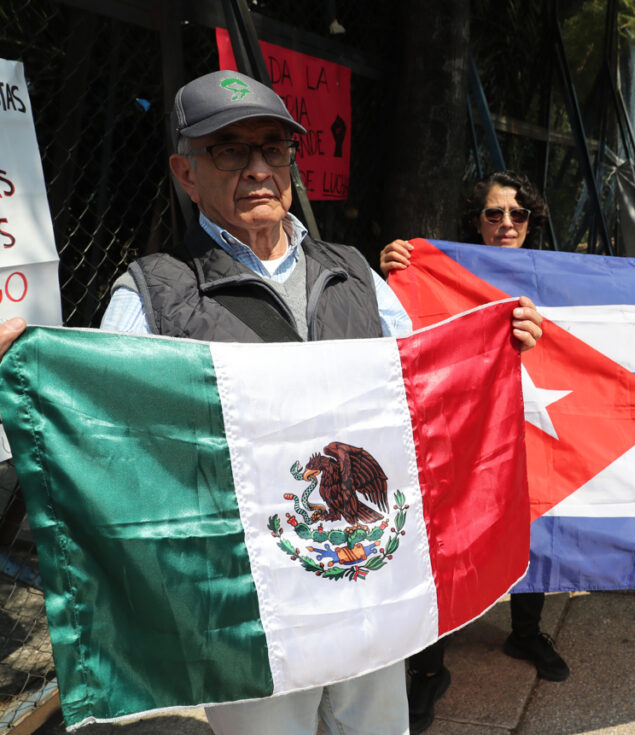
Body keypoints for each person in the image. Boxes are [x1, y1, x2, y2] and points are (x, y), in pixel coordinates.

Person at [1, 71, 543, 735]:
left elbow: (425, 392)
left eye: (273, 149)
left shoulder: (354, 274)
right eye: (229, 150)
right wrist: (35, 371)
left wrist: (496, 347)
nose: (258, 168)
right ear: (186, 171)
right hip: (248, 606)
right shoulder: (153, 295)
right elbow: (109, 437)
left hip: (364, 571)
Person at [380, 170, 567, 735]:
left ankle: (526, 632)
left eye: (519, 214)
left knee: (536, 514)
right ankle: (430, 666)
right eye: (493, 213)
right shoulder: (438, 269)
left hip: (535, 417)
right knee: (448, 526)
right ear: (475, 221)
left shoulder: (558, 273)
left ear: (533, 222)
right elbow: (399, 323)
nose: (506, 223)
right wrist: (392, 270)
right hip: (463, 420)